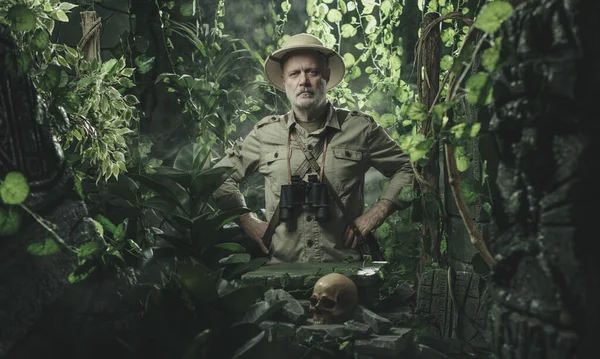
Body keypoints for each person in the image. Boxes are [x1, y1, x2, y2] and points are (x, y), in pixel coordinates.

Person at [212, 33, 413, 263]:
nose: (303, 81)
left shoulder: (360, 129)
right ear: (284, 80)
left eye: (312, 72)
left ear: (326, 76)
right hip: (281, 273)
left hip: (345, 272)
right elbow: (219, 178)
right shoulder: (265, 133)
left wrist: (377, 213)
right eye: (294, 74)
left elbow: (408, 169)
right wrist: (248, 222)